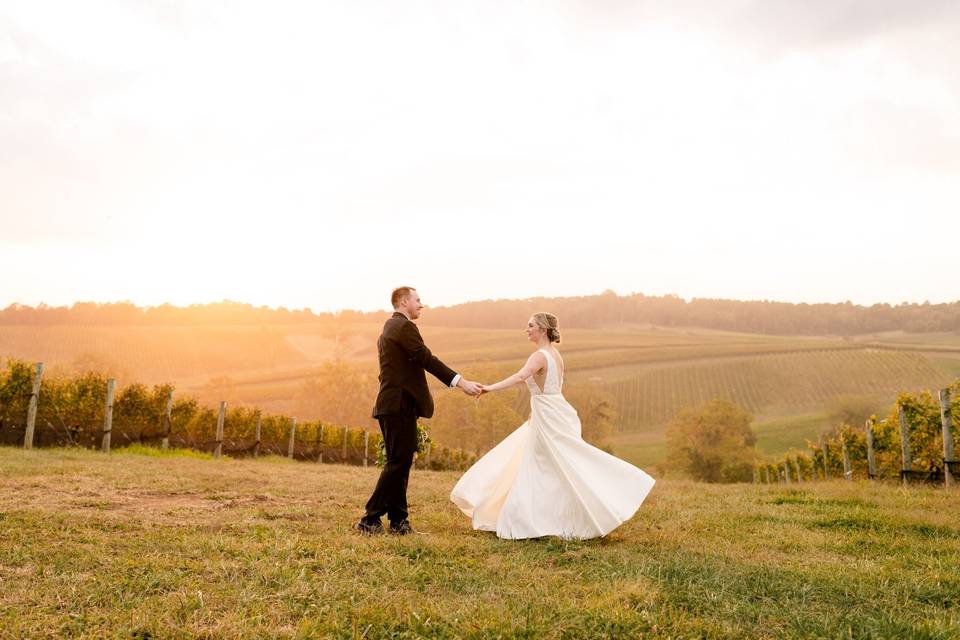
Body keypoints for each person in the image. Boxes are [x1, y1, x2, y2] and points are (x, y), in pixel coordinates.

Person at [450, 312, 655, 540]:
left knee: (543, 464)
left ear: (543, 330)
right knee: (553, 465)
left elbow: (520, 378)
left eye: (530, 326)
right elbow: (551, 387)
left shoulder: (538, 356)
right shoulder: (556, 355)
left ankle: (533, 518)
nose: (526, 329)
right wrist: (534, 412)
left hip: (548, 415)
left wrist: (489, 388)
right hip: (554, 410)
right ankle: (551, 516)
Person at [357, 286, 481, 535]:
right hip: (398, 405)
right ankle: (369, 519)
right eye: (418, 300)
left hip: (393, 404)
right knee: (398, 462)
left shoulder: (389, 328)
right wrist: (461, 382)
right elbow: (426, 358)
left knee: (401, 462)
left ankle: (398, 522)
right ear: (404, 302)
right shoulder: (403, 327)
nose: (421, 304)